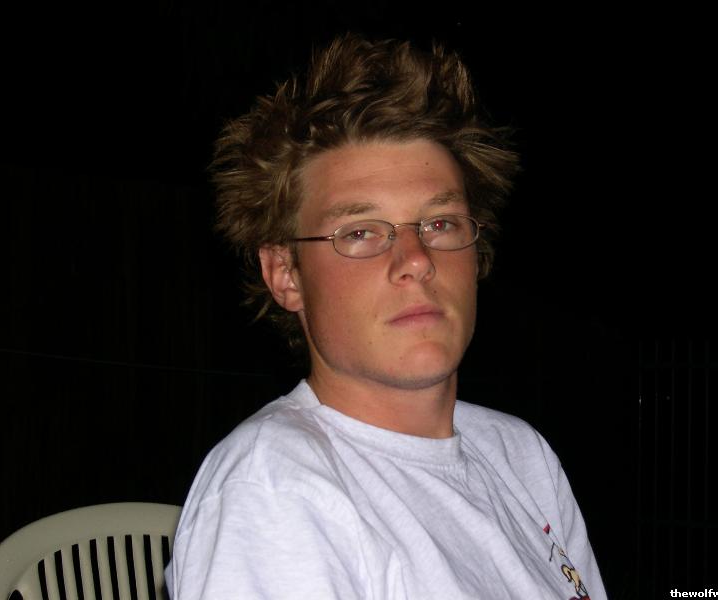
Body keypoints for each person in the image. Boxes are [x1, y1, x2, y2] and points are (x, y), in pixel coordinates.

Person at [166, 34, 606, 600]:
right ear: (286, 274)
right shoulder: (276, 487)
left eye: (440, 223)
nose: (417, 259)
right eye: (361, 232)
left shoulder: (520, 455)